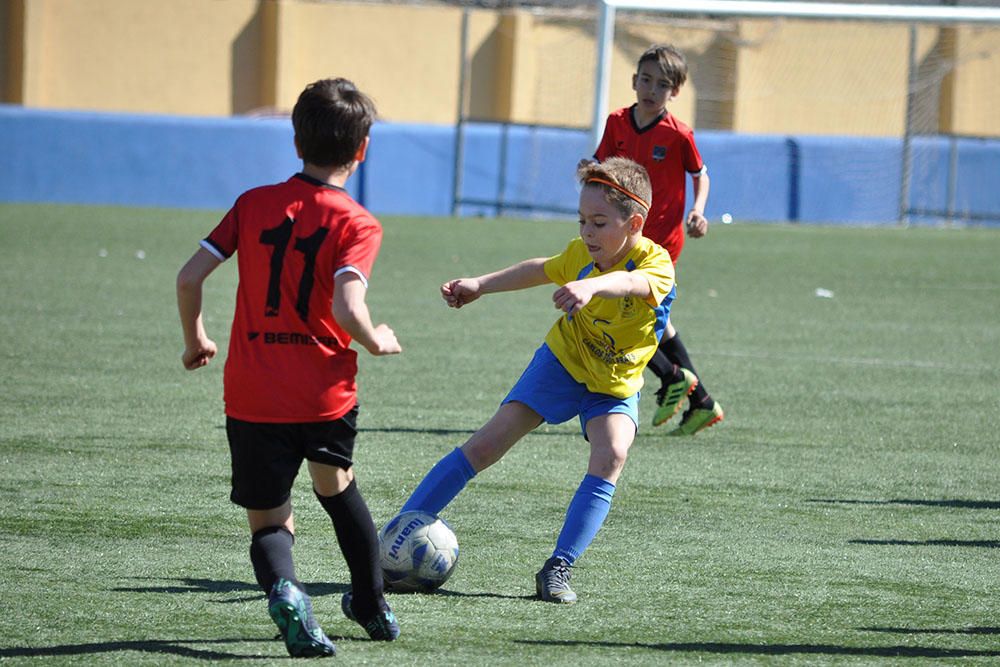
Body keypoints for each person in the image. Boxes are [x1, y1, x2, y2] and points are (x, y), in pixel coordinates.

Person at [176, 78, 401, 657]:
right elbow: (349, 306)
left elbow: (188, 276)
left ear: (296, 140)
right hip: (324, 393)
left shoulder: (252, 204)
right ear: (363, 149)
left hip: (252, 394)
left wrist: (195, 337)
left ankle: (286, 591)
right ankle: (371, 603)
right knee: (337, 487)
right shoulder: (357, 222)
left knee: (270, 522)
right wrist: (375, 340)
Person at [398, 157, 676, 604]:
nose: (586, 232)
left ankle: (558, 567)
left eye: (599, 222)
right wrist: (480, 284)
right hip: (563, 362)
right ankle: (401, 531)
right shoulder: (581, 255)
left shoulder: (655, 262)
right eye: (582, 220)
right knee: (487, 445)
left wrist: (591, 288)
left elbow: (635, 284)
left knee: (613, 454)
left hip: (614, 383)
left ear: (635, 223)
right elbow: (541, 268)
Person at [584, 44, 723, 436]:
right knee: (655, 319)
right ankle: (701, 400)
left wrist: (699, 210)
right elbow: (602, 166)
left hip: (661, 239)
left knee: (627, 313)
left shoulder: (678, 134)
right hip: (624, 234)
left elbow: (701, 174)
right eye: (646, 80)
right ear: (633, 81)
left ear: (674, 92)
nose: (651, 89)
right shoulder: (616, 122)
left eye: (662, 84)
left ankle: (671, 375)